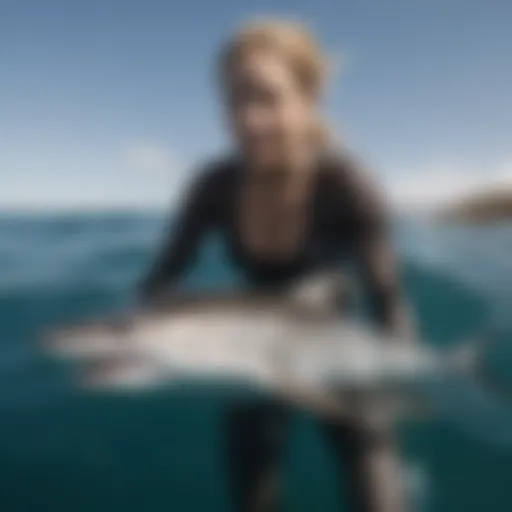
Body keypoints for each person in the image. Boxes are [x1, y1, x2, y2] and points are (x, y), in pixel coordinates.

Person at [139, 19, 413, 512]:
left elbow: (388, 299)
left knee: (378, 491)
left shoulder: (348, 187)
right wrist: (159, 342)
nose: (248, 118)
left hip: (330, 336)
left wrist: (392, 382)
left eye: (266, 97)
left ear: (308, 100)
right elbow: (159, 282)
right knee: (252, 495)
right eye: (234, 100)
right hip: (250, 348)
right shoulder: (214, 185)